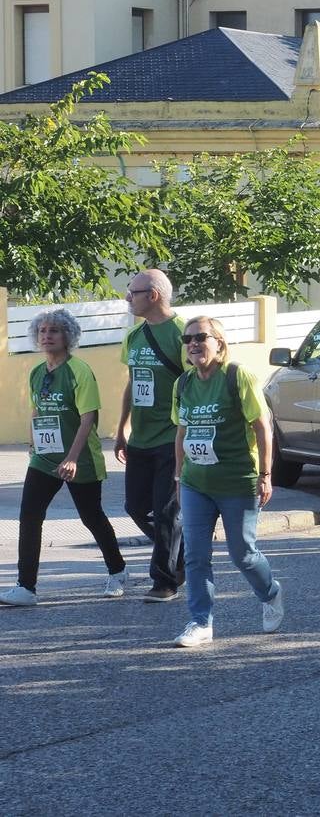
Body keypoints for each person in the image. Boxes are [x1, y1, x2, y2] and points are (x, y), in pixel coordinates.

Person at [1, 309, 127, 607]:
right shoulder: (36, 372)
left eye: (54, 331)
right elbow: (37, 409)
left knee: (91, 516)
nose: (47, 336)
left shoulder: (79, 370)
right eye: (43, 331)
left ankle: (118, 570)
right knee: (30, 516)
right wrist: (33, 440)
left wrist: (71, 458)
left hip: (79, 459)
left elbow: (88, 418)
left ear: (67, 336)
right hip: (44, 460)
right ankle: (26, 587)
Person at [170, 317, 282, 647]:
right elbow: (181, 432)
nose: (193, 344)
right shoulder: (184, 384)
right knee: (195, 555)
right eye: (187, 339)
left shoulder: (237, 376)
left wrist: (266, 474)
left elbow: (262, 426)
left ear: (219, 342)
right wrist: (178, 476)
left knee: (243, 553)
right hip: (196, 482)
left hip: (237, 481)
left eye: (200, 337)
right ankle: (200, 621)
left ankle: (270, 592)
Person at [114, 269, 187, 603]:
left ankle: (165, 581)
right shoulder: (134, 336)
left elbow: (196, 382)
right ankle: (179, 552)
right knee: (136, 506)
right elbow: (132, 382)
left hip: (171, 437)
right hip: (140, 438)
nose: (128, 298)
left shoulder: (184, 333)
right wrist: (121, 428)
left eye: (133, 292)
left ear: (153, 295)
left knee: (166, 509)